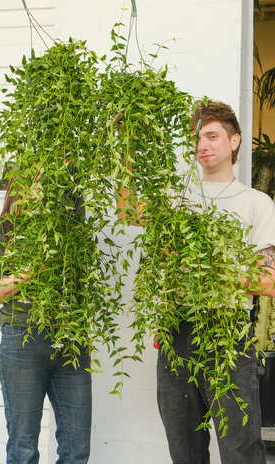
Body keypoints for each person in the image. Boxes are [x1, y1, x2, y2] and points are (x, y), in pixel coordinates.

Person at [116, 100, 275, 464]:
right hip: (176, 331)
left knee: (239, 449)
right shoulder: (176, 199)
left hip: (228, 334)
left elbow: (266, 281)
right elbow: (127, 210)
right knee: (184, 450)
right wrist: (124, 145)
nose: (202, 144)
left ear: (234, 142)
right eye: (197, 137)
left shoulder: (256, 203)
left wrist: (201, 264)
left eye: (212, 135)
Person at [0, 178, 92, 464]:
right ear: (18, 186)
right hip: (22, 341)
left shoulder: (68, 227)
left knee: (77, 449)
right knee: (24, 446)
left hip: (70, 340)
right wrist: (30, 270)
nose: (42, 190)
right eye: (35, 182)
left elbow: (75, 183)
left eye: (50, 183)